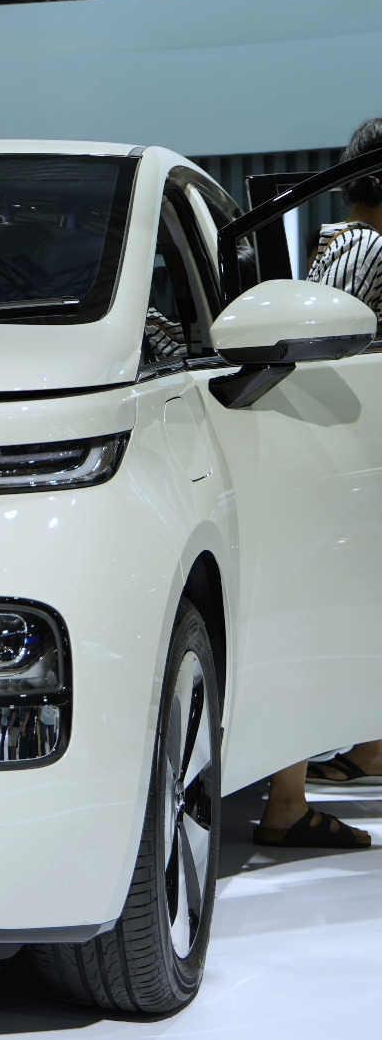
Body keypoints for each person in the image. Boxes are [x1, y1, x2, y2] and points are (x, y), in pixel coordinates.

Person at [250, 118, 382, 849]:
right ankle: (286, 802)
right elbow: (325, 355)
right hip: (344, 459)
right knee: (318, 616)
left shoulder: (355, 245)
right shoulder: (364, 245)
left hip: (346, 455)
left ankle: (358, 754)